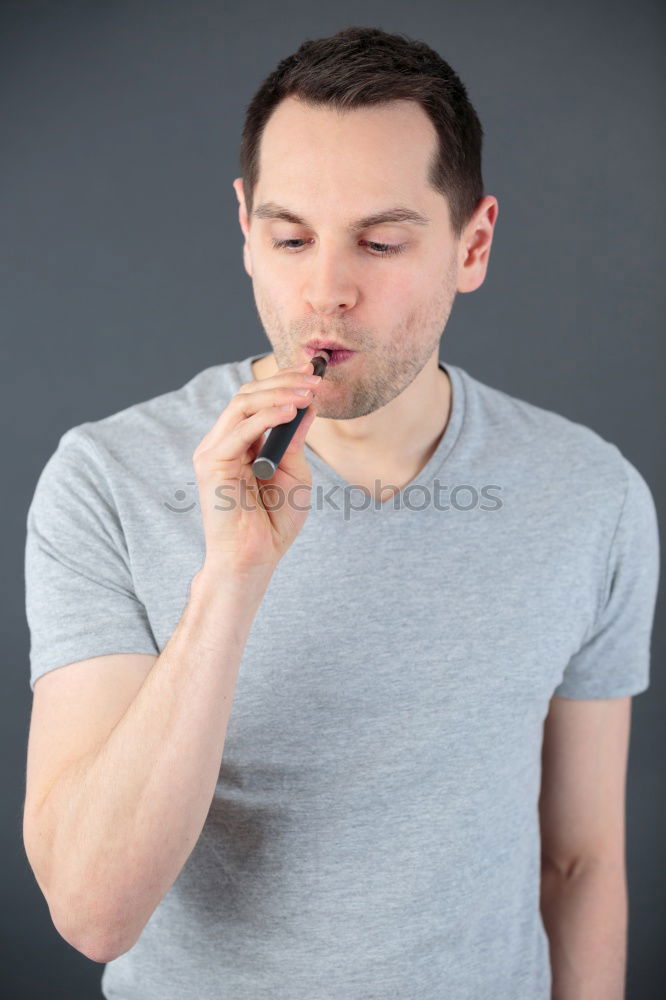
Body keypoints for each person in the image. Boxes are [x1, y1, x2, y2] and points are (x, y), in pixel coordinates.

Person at [23, 25, 659, 1000]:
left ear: (473, 244)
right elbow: (94, 913)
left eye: (380, 240)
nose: (325, 292)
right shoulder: (103, 478)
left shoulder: (594, 493)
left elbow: (580, 865)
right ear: (244, 229)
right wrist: (233, 575)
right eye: (289, 237)